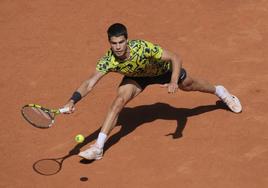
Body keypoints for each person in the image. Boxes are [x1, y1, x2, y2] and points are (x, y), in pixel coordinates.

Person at [63, 23, 242, 161]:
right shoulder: (108, 60)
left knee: (189, 84)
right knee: (119, 101)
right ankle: (98, 148)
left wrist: (173, 81)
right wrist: (73, 100)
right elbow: (89, 83)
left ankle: (220, 92)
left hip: (162, 71)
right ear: (109, 43)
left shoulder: (142, 47)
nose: (118, 47)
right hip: (137, 78)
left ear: (127, 40)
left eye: (121, 42)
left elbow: (175, 57)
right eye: (114, 43)